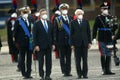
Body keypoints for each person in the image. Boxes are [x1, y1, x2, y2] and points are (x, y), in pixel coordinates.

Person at [92, 2, 115, 75]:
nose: (106, 10)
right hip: (101, 38)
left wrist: (114, 34)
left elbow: (113, 28)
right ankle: (103, 69)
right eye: (104, 9)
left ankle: (108, 70)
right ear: (101, 10)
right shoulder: (98, 18)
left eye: (107, 9)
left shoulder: (110, 17)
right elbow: (95, 28)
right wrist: (94, 38)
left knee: (109, 53)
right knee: (103, 53)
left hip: (109, 38)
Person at [33, 8, 55, 80]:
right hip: (40, 46)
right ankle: (41, 75)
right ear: (40, 15)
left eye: (45, 13)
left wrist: (53, 44)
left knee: (49, 61)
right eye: (43, 14)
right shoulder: (36, 24)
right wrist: (36, 45)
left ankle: (48, 75)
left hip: (49, 45)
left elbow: (52, 34)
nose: (45, 15)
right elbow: (34, 36)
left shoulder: (49, 23)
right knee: (41, 62)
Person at [70, 9, 91, 79]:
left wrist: (89, 42)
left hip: (85, 43)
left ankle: (85, 74)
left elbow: (88, 33)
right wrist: (72, 44)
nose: (80, 15)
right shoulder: (73, 22)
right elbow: (71, 34)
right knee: (77, 60)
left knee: (85, 60)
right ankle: (79, 74)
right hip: (77, 44)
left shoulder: (86, 22)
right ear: (76, 15)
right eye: (78, 14)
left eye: (81, 14)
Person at [14, 6, 34, 79]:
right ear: (21, 13)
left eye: (26, 12)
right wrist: (16, 43)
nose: (25, 13)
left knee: (29, 59)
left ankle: (28, 73)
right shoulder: (18, 21)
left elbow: (33, 30)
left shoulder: (31, 19)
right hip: (21, 43)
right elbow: (15, 33)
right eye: (24, 12)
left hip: (30, 42)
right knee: (22, 59)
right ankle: (24, 73)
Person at [54, 3, 73, 76]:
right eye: (63, 9)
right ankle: (64, 71)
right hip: (61, 41)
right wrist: (56, 42)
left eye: (65, 9)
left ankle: (68, 71)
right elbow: (55, 31)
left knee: (68, 57)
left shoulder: (70, 18)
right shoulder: (57, 19)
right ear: (60, 10)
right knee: (62, 57)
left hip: (69, 40)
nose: (64, 10)